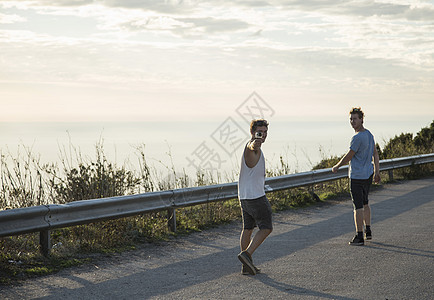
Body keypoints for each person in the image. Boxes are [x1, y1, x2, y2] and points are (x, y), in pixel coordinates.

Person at [332, 107, 381, 246]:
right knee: (365, 203)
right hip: (368, 175)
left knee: (358, 206)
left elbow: (349, 156)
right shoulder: (369, 134)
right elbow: (375, 154)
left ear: (361, 119)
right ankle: (368, 230)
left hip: (357, 176)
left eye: (355, 119)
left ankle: (359, 236)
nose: (352, 121)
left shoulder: (357, 137)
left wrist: (337, 166)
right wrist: (377, 172)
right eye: (351, 119)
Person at [237, 119, 273, 275]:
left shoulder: (251, 147)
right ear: (252, 132)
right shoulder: (252, 147)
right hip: (256, 197)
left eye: (265, 132)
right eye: (260, 132)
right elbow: (253, 146)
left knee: (248, 229)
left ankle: (246, 266)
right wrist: (255, 143)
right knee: (266, 228)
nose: (263, 135)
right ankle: (247, 254)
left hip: (244, 196)